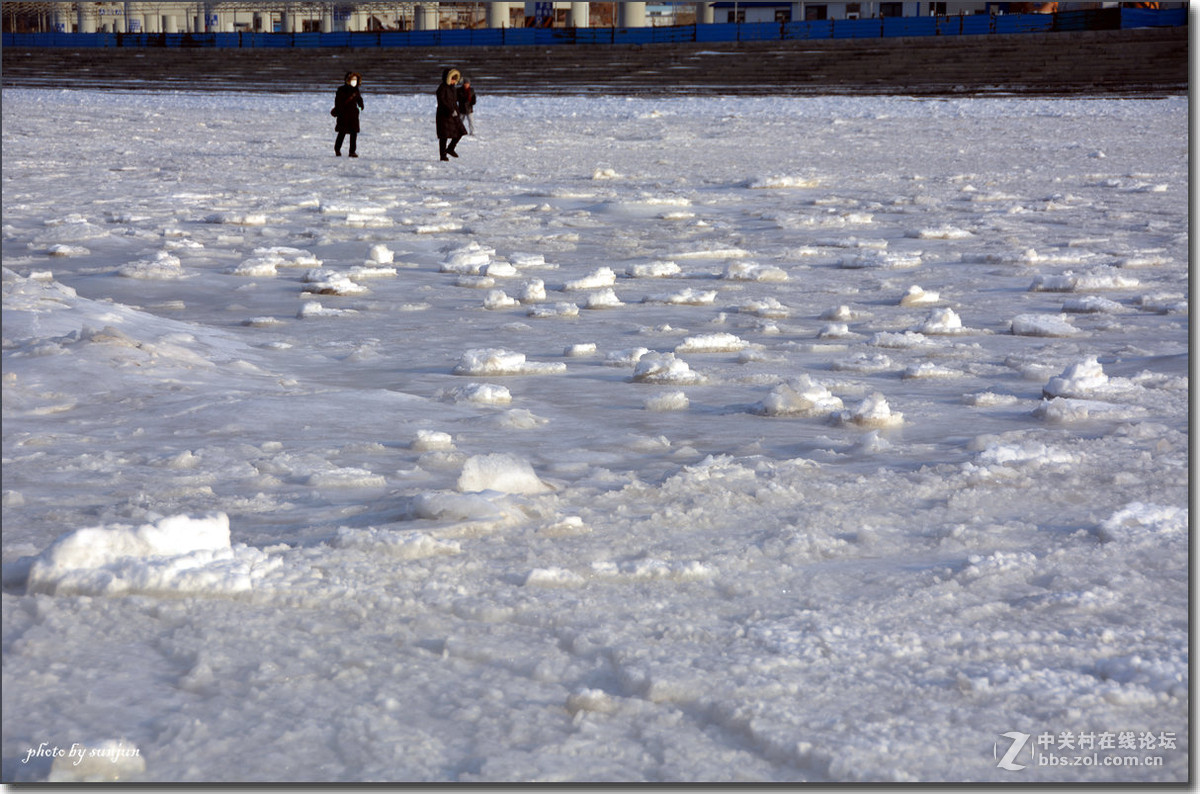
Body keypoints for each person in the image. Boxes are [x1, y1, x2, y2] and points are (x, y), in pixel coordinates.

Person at [436, 68, 467, 161]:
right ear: (448, 78)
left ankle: (450, 148)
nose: (454, 81)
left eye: (455, 79)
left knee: (461, 131)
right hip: (444, 115)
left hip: (454, 114)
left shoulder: (453, 88)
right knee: (444, 136)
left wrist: (457, 110)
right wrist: (450, 110)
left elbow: (455, 101)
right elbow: (442, 101)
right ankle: (443, 155)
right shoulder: (442, 88)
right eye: (453, 79)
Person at [332, 71, 363, 157]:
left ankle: (352, 151)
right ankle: (337, 149)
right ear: (348, 80)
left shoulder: (356, 90)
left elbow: (359, 100)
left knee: (354, 133)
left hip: (353, 115)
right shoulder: (341, 90)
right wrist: (340, 112)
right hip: (344, 115)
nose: (354, 81)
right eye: (353, 79)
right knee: (342, 133)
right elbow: (338, 103)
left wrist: (360, 107)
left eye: (355, 79)